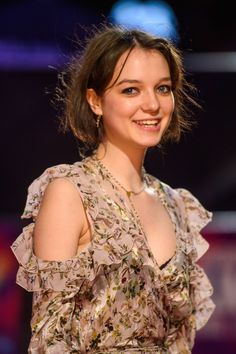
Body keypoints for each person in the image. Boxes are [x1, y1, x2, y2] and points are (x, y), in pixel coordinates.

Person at [11, 24, 215, 353]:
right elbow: (50, 339)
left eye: (163, 88)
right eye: (131, 90)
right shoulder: (71, 192)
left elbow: (180, 339)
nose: (152, 104)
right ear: (95, 100)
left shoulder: (177, 204)